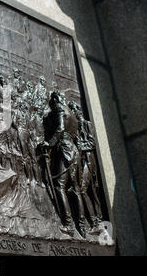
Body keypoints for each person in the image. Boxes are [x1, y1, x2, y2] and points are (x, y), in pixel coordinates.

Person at [43, 92, 86, 237]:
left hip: (66, 150)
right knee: (76, 188)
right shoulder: (73, 116)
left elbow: (60, 129)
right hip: (74, 151)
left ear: (56, 100)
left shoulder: (60, 109)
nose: (52, 106)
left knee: (59, 186)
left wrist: (49, 143)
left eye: (52, 103)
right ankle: (82, 226)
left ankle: (68, 224)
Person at [69, 101, 103, 235]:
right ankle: (96, 222)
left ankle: (97, 222)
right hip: (82, 161)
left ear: (78, 111)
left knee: (87, 190)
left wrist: (80, 145)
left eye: (73, 111)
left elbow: (92, 143)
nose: (72, 114)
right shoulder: (77, 128)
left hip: (89, 161)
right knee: (86, 190)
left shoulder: (86, 124)